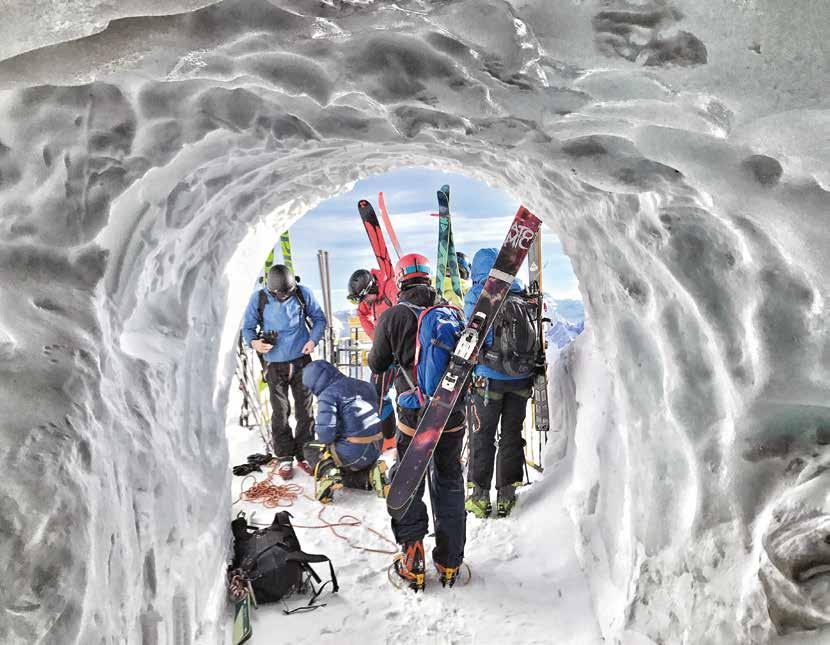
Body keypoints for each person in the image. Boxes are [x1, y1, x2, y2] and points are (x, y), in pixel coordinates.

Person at [368, 253, 466, 590]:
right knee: (450, 480)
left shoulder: (393, 315)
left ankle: (413, 559)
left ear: (400, 281)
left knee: (409, 481)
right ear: (427, 278)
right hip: (452, 414)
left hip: (414, 416)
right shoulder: (452, 312)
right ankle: (451, 561)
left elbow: (377, 363)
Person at [463, 248, 537, 518]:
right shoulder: (521, 292)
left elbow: (470, 333)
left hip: (488, 379)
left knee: (482, 436)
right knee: (511, 435)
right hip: (521, 377)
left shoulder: (477, 295)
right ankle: (507, 494)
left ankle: (479, 497)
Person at [242, 264, 327, 480]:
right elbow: (248, 328)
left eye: (286, 293)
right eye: (279, 293)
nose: (283, 296)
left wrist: (312, 339)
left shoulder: (302, 293)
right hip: (274, 365)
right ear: (270, 289)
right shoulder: (258, 298)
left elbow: (319, 319)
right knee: (280, 412)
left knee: (305, 411)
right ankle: (285, 456)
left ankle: (305, 454)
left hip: (301, 361)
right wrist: (255, 343)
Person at [300, 360, 389, 503]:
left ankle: (329, 472)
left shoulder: (328, 394)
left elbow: (325, 435)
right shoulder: (364, 385)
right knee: (347, 471)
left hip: (352, 452)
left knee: (310, 448)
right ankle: (370, 475)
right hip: (375, 447)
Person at [347, 268, 398, 449]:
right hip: (385, 350)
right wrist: (376, 337)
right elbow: (362, 314)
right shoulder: (370, 299)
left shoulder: (390, 287)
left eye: (364, 298)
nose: (364, 303)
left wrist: (395, 340)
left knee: (400, 394)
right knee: (378, 395)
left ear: (371, 288)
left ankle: (395, 438)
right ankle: (389, 437)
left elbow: (404, 312)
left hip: (400, 350)